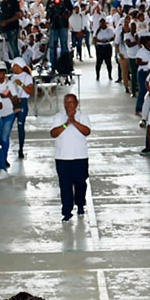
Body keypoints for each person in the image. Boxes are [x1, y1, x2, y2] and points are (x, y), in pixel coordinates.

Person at [51, 92, 91, 221]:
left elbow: (87, 131)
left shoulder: (83, 117)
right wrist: (66, 123)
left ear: (77, 104)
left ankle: (80, 205)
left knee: (80, 184)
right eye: (66, 102)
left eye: (71, 102)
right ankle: (66, 212)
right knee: (65, 186)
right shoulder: (58, 117)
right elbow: (53, 133)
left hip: (80, 157)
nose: (69, 105)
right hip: (62, 158)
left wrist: (74, 121)